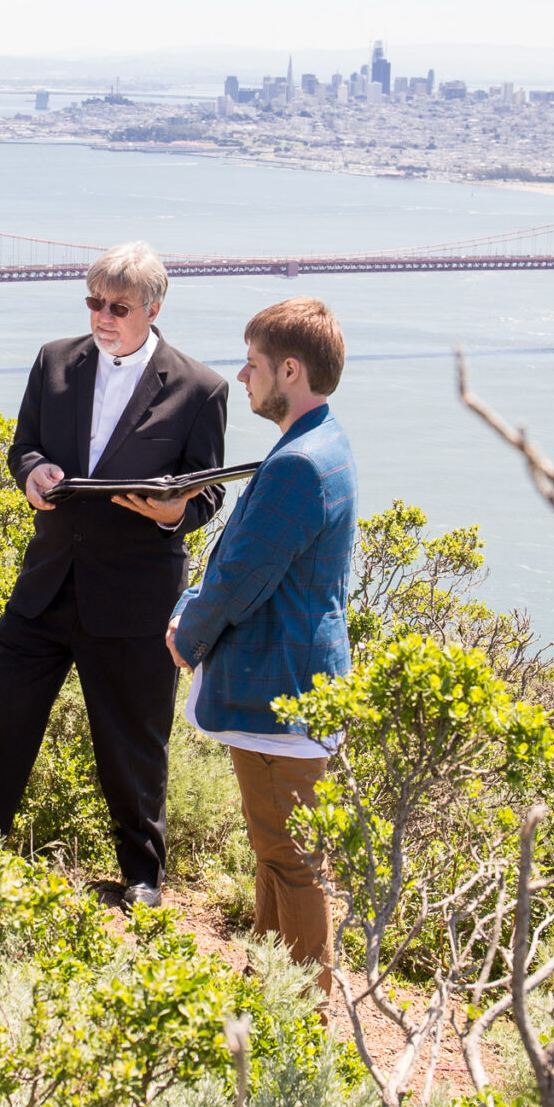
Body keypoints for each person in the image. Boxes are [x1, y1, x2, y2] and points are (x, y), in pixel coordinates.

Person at [0, 242, 231, 904]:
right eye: (93, 302)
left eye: (118, 306)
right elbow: (22, 443)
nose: (103, 317)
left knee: (134, 745)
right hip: (46, 585)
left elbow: (209, 492)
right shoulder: (55, 360)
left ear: (154, 308)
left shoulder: (202, 388)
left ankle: (142, 879)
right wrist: (32, 473)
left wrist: (174, 511)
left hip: (135, 598)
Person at [167, 298, 357, 993]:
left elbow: (243, 575)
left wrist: (186, 633)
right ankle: (272, 989)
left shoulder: (298, 464)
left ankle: (300, 1013)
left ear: (290, 368)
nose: (242, 374)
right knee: (278, 850)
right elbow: (246, 558)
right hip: (295, 683)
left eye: (253, 362)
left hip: (281, 691)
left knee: (293, 858)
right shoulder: (321, 444)